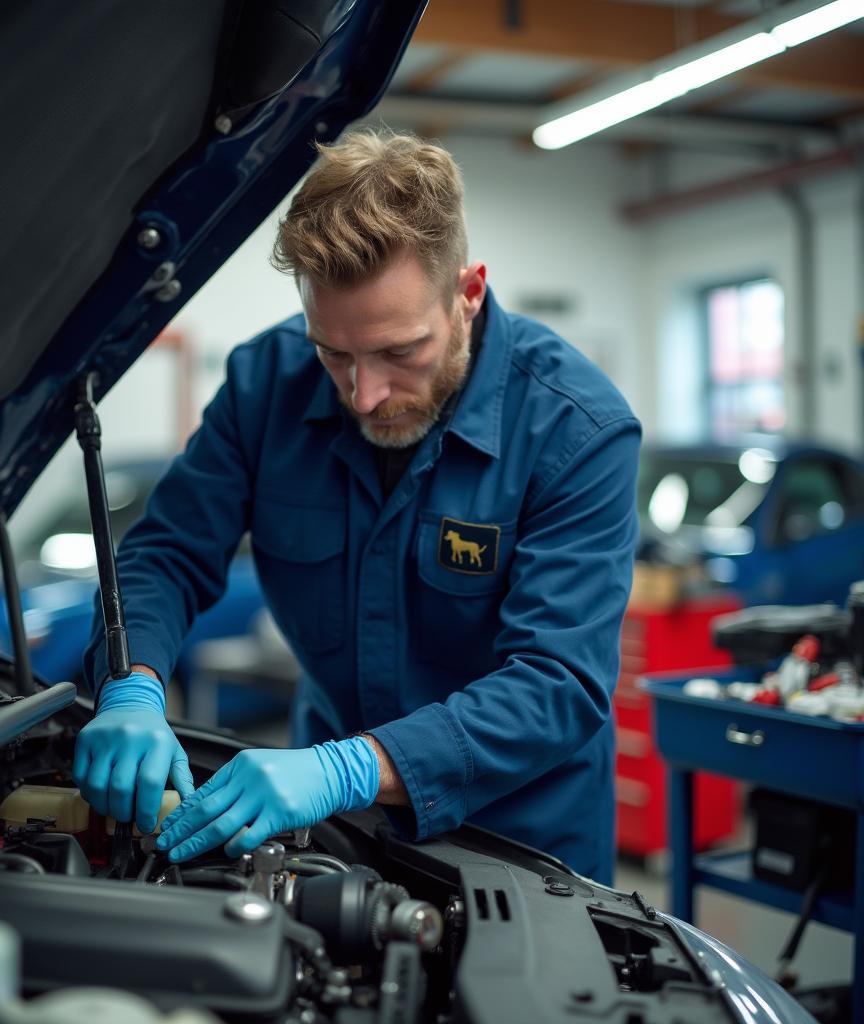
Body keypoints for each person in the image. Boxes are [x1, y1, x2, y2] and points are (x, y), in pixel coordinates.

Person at [73, 130, 640, 884]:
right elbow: (168, 552)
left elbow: (556, 683)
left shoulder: (578, 429)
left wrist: (349, 767)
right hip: (331, 834)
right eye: (334, 353)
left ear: (467, 294)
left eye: (401, 352)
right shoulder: (265, 384)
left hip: (525, 847)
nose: (364, 395)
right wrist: (132, 682)